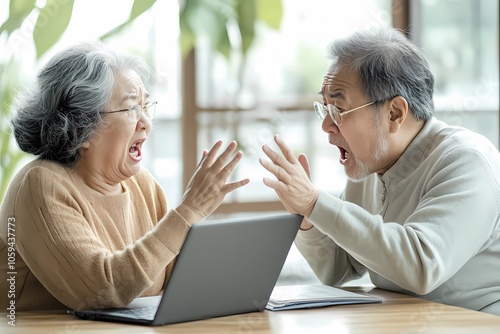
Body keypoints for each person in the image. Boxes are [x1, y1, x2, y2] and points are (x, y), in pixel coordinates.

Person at [260, 28, 500, 315]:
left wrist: (315, 202)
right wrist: (307, 216)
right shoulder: (372, 166)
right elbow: (337, 270)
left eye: (338, 109)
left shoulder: (466, 162)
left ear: (394, 114)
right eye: (324, 108)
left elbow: (420, 265)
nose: (326, 125)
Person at [0, 41, 249, 311]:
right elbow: (102, 290)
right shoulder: (40, 185)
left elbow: (175, 283)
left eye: (146, 106)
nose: (146, 123)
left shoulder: (143, 186)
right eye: (131, 109)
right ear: (83, 126)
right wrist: (189, 211)